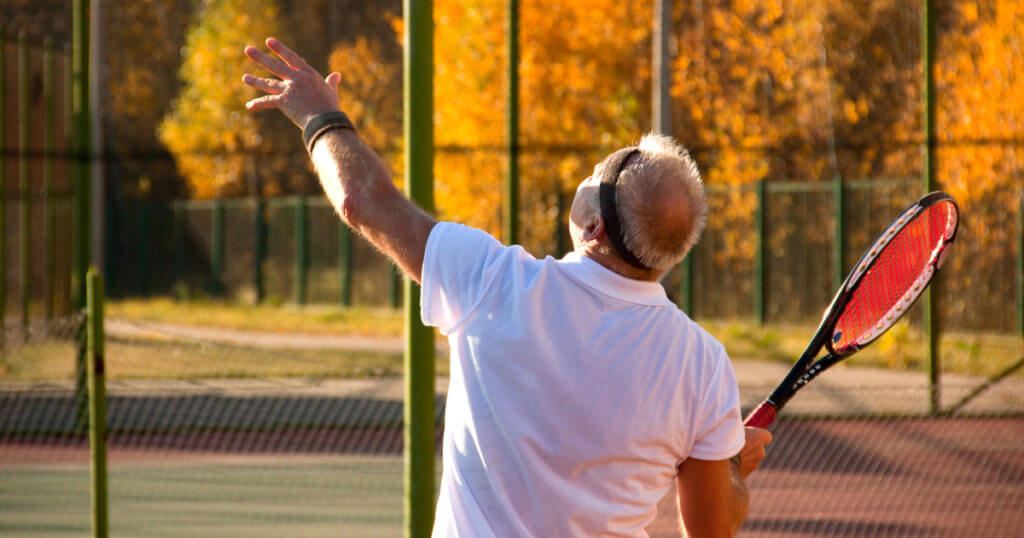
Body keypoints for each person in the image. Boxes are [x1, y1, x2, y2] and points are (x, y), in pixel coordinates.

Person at [242, 37, 772, 538]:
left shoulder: (492, 283)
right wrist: (733, 476)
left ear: (594, 229)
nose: (584, 179)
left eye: (593, 176)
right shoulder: (702, 364)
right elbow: (711, 527)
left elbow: (363, 201)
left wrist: (319, 117)